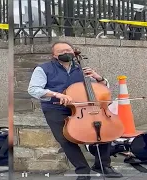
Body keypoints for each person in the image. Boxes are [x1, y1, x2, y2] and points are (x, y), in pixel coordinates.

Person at [27, 41, 123, 180]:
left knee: (103, 131)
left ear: (73, 51)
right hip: (56, 107)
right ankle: (83, 170)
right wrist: (56, 94)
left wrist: (99, 78)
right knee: (66, 139)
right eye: (61, 52)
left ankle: (103, 165)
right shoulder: (43, 69)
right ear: (54, 55)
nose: (65, 53)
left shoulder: (80, 68)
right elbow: (34, 89)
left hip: (83, 107)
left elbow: (102, 89)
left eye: (68, 50)